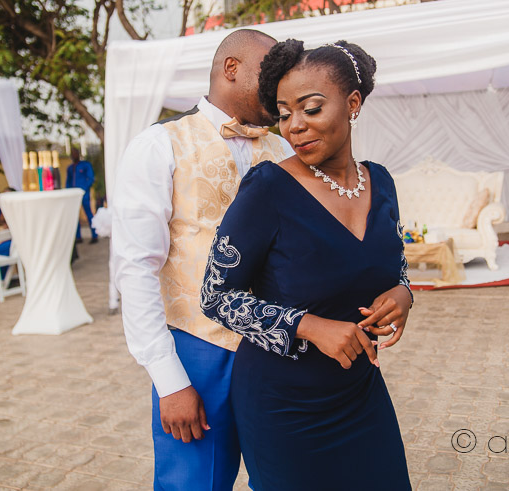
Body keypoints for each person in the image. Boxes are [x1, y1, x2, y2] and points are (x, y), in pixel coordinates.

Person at [200, 39, 412, 490]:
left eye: (311, 109)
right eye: (284, 114)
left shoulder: (381, 182)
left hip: (361, 393)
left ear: (352, 104)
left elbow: (396, 263)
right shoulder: (268, 189)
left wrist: (403, 292)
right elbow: (215, 296)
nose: (295, 126)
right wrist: (310, 326)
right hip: (284, 408)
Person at [112, 29, 293, 491]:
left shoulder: (286, 150)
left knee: (286, 478)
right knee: (196, 483)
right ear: (231, 69)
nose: (280, 87)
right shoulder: (159, 145)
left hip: (277, 349)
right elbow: (136, 268)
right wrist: (169, 380)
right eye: (269, 74)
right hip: (198, 349)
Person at [66, 148, 98, 244]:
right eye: (72, 154)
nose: (73, 155)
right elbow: (68, 182)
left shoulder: (85, 165)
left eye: (75, 153)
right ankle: (78, 236)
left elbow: (91, 178)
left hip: (84, 194)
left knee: (89, 214)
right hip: (74, 195)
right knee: (75, 216)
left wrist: (83, 189)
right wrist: (69, 192)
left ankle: (94, 235)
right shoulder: (70, 168)